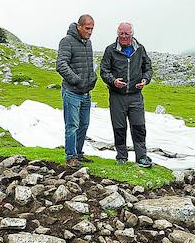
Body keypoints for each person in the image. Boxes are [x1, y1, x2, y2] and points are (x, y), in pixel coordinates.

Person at [100, 22, 153, 167]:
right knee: (119, 127)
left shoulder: (140, 49)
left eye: (126, 34)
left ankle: (141, 157)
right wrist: (113, 81)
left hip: (136, 96)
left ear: (132, 35)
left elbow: (148, 68)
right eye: (120, 34)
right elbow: (104, 71)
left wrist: (145, 80)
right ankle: (121, 157)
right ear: (117, 34)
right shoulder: (110, 50)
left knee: (139, 127)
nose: (123, 37)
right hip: (117, 96)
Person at [56, 14, 98, 168]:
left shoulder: (88, 43)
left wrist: (93, 78)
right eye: (87, 28)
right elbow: (61, 64)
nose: (90, 31)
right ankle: (70, 157)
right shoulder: (67, 41)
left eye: (92, 28)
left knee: (84, 124)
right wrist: (77, 80)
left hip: (86, 93)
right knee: (72, 125)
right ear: (79, 26)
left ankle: (78, 153)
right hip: (72, 91)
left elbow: (89, 65)